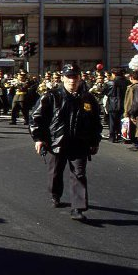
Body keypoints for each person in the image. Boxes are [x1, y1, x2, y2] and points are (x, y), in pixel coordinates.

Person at [29, 63, 102, 220]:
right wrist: (39, 138)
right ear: (62, 78)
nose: (72, 80)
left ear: (80, 78)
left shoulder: (88, 98)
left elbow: (96, 122)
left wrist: (95, 141)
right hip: (57, 142)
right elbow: (36, 118)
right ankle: (55, 194)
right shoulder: (51, 96)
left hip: (79, 143)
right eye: (68, 77)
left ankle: (78, 208)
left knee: (79, 174)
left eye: (75, 77)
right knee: (55, 172)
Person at [105, 68, 129, 142]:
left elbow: (105, 92)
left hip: (112, 103)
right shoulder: (127, 82)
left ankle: (112, 137)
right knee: (122, 120)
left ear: (114, 74)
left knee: (112, 121)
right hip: (123, 103)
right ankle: (123, 136)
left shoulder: (110, 83)